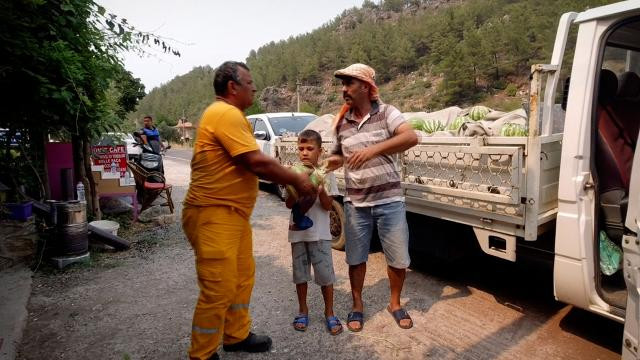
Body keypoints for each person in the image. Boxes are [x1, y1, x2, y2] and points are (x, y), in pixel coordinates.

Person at [182, 61, 315, 360]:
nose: (254, 87)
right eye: (250, 82)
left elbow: (251, 166)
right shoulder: (224, 113)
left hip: (231, 215)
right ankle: (201, 354)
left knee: (242, 277)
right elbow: (256, 162)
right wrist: (297, 180)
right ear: (233, 86)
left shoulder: (230, 116)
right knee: (218, 285)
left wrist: (287, 176)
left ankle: (236, 335)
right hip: (212, 213)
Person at [324, 63, 418, 332]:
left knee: (398, 259)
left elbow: (411, 137)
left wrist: (373, 150)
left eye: (348, 84)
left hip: (389, 201)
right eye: (342, 84)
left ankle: (395, 304)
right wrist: (327, 164)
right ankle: (357, 305)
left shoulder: (388, 113)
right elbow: (339, 155)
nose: (343, 90)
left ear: (365, 86)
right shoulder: (342, 122)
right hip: (356, 204)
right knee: (355, 258)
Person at [285, 129, 342, 336]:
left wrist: (320, 189)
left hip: (320, 235)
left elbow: (328, 206)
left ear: (320, 150)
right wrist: (295, 188)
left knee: (326, 276)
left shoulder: (327, 174)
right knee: (300, 275)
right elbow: (289, 203)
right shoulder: (293, 172)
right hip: (298, 234)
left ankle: (329, 312)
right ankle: (303, 310)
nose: (305, 153)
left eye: (310, 148)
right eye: (301, 149)